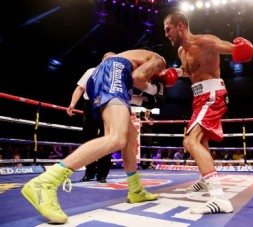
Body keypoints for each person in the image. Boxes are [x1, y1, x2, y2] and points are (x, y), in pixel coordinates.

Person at [21, 49, 178, 224]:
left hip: (103, 78)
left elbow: (127, 84)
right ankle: (45, 182)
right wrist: (155, 89)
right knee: (116, 137)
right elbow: (138, 78)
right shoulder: (159, 61)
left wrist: (143, 100)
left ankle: (135, 190)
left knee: (130, 134)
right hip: (113, 72)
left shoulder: (131, 62)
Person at [163, 11, 253, 214]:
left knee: (190, 141)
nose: (166, 34)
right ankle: (205, 180)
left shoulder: (205, 42)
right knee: (201, 142)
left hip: (213, 94)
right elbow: (188, 70)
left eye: (168, 29)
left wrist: (242, 48)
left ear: (180, 26)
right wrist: (175, 73)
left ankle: (218, 197)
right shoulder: (181, 52)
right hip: (198, 98)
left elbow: (238, 52)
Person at [66, 54, 113, 183]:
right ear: (102, 60)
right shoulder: (91, 71)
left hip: (107, 105)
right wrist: (72, 104)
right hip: (90, 104)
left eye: (112, 59)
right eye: (107, 59)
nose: (109, 62)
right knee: (88, 139)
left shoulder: (115, 75)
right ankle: (89, 172)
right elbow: (80, 88)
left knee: (107, 139)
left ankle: (102, 174)